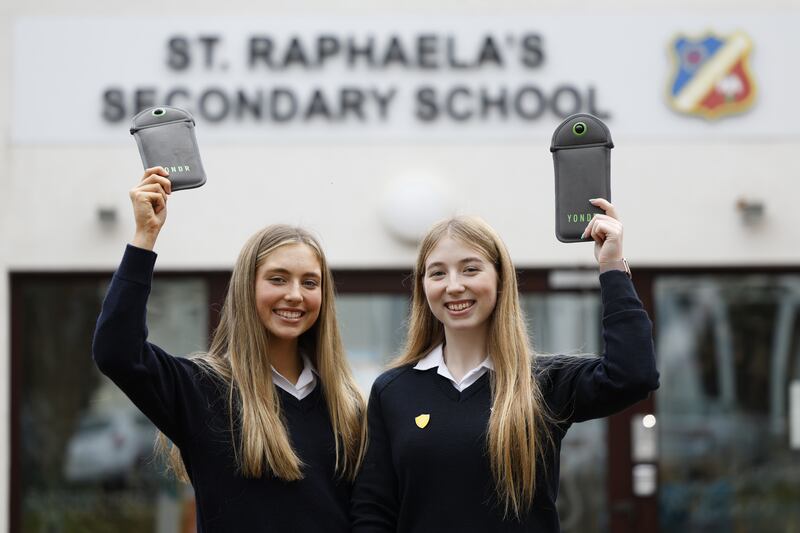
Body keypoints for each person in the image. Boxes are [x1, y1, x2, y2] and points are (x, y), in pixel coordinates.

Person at [351, 199, 659, 532]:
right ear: (423, 286)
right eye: (438, 273)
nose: (454, 285)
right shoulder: (393, 390)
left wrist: (612, 266)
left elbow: (634, 375)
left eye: (470, 269)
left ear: (500, 279)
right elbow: (374, 510)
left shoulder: (543, 383)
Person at [93, 167, 365, 532]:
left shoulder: (347, 408)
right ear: (246, 288)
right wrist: (145, 237)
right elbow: (117, 351)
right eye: (278, 279)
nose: (295, 295)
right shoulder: (202, 390)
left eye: (310, 282)